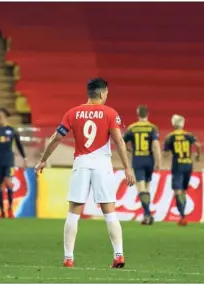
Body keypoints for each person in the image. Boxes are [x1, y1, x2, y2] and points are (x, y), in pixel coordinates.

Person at [35, 78, 135, 268]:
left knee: (74, 212)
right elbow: (119, 142)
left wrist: (43, 159)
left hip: (81, 163)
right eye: (106, 93)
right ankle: (119, 255)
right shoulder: (110, 113)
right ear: (101, 94)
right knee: (109, 212)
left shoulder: (73, 113)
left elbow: (56, 138)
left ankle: (68, 258)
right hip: (102, 165)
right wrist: (127, 167)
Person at [123, 105, 162, 225]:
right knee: (147, 187)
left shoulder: (132, 128)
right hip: (149, 159)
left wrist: (129, 151)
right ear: (147, 114)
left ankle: (148, 214)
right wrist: (158, 162)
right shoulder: (152, 128)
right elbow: (155, 146)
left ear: (138, 113)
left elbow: (122, 142)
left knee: (141, 188)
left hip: (138, 159)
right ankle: (146, 216)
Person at [163, 115, 201, 227]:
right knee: (184, 190)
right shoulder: (188, 135)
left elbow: (165, 153)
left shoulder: (170, 137)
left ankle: (183, 216)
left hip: (178, 165)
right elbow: (198, 145)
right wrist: (197, 156)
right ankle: (183, 217)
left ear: (173, 124)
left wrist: (166, 153)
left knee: (178, 191)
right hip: (188, 164)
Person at [0, 107, 27, 218]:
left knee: (9, 183)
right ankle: (2, 211)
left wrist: (24, 158)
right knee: (0, 186)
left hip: (8, 161)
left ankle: (10, 210)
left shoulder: (11, 130)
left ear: (5, 117)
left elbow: (19, 144)